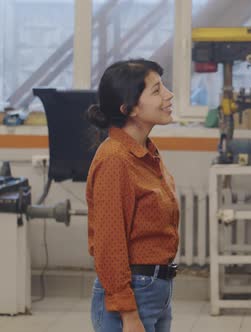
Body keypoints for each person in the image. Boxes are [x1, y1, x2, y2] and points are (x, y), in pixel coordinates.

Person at [86, 59, 179, 332]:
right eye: (156, 90)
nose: (168, 95)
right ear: (129, 109)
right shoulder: (115, 159)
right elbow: (109, 244)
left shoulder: (145, 152)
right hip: (132, 295)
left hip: (155, 290)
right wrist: (128, 314)